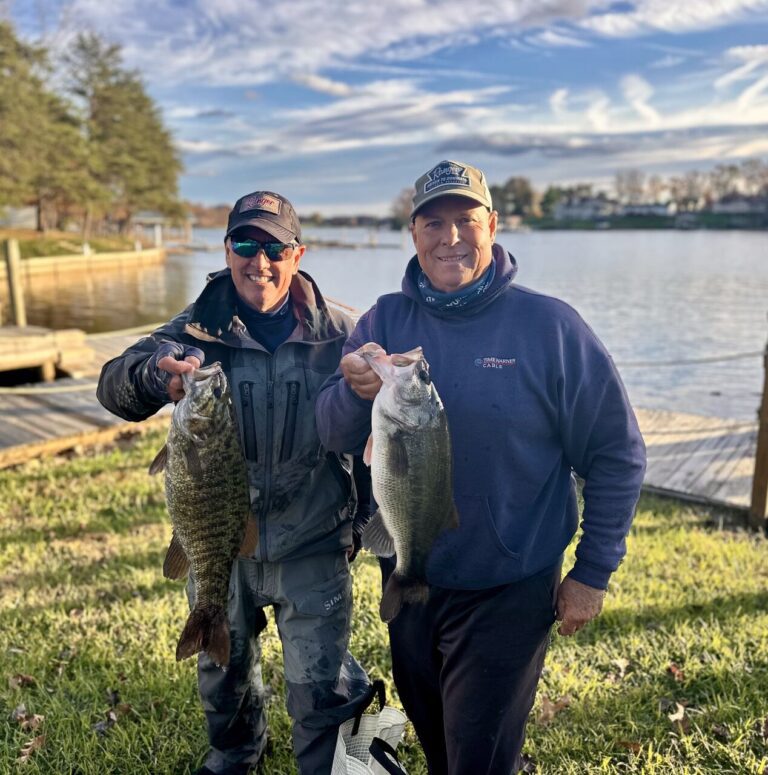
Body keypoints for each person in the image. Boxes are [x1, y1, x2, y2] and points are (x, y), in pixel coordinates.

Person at [315, 160, 647, 774]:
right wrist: (352, 390)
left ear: (492, 224)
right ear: (413, 234)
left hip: (510, 585)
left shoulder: (551, 327)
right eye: (432, 223)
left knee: (480, 757)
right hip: (410, 578)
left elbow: (617, 454)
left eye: (466, 220)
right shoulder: (383, 320)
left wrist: (593, 572)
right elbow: (333, 432)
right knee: (439, 741)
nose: (450, 238)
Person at [97, 190, 371, 775]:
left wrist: (366, 521)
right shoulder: (193, 332)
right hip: (216, 542)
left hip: (314, 539)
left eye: (274, 246)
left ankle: (334, 761)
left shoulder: (343, 333)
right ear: (226, 251)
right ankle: (235, 752)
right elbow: (113, 386)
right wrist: (150, 375)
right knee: (224, 674)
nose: (260, 261)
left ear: (298, 254)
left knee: (322, 683)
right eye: (246, 244)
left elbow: (384, 435)